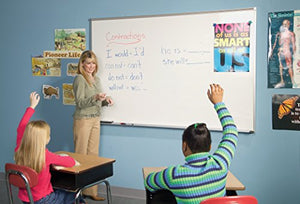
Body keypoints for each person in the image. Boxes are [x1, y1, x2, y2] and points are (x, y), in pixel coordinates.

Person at [144, 84, 238, 204]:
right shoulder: (221, 163)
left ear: (184, 146)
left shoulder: (174, 175)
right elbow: (231, 132)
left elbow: (149, 183)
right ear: (210, 146)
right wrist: (218, 103)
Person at [14, 92, 86, 204]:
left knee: (57, 188)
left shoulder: (19, 148)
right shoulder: (46, 155)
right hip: (45, 200)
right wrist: (64, 157)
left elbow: (21, 127)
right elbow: (70, 162)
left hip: (26, 199)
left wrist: (31, 106)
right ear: (46, 139)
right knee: (75, 192)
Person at [73, 50, 114, 201]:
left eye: (93, 63)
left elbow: (96, 101)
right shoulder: (79, 79)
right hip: (83, 120)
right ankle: (77, 192)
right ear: (82, 63)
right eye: (88, 63)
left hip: (95, 119)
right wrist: (95, 97)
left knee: (93, 156)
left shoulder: (96, 79)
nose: (91, 66)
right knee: (80, 156)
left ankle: (91, 191)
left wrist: (105, 100)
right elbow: (80, 102)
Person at [272, 19, 297, 88]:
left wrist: (293, 53)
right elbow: (280, 43)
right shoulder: (281, 34)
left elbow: (294, 44)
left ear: (289, 24)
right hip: (281, 50)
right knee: (281, 66)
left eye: (286, 24)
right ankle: (282, 81)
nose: (285, 25)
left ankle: (292, 81)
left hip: (287, 51)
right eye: (284, 24)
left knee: (289, 66)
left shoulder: (291, 34)